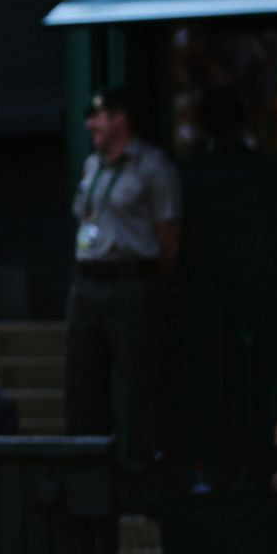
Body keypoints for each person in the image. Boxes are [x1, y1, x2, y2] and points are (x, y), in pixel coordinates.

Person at [67, 87, 179, 484]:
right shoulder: (91, 166)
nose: (90, 125)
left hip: (131, 281)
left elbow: (168, 238)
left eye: (97, 115)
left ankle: (141, 473)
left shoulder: (152, 167)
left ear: (120, 118)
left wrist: (144, 277)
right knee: (83, 380)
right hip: (88, 282)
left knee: (138, 382)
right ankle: (90, 473)